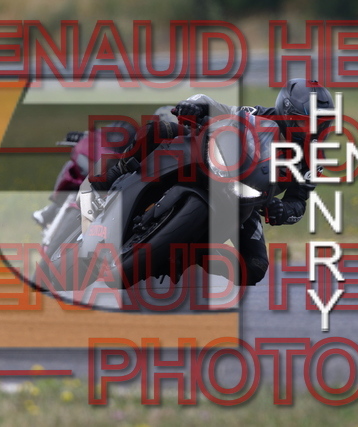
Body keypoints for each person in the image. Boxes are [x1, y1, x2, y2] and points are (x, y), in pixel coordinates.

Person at [92, 79, 335, 286]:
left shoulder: (314, 160)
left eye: (322, 124)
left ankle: (193, 254)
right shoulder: (260, 114)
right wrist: (195, 105)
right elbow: (221, 107)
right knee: (159, 129)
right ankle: (114, 173)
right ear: (286, 114)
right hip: (216, 162)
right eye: (308, 123)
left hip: (248, 197)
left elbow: (299, 202)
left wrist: (283, 210)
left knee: (255, 267)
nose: (315, 131)